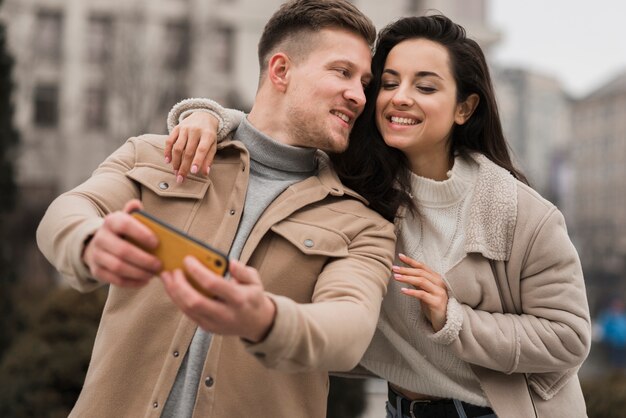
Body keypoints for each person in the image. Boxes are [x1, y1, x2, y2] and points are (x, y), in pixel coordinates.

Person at [164, 14, 592, 418]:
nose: (399, 97)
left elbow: (569, 338)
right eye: (389, 82)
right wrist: (210, 117)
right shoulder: (354, 180)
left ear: (465, 108)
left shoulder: (522, 214)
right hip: (399, 407)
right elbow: (277, 135)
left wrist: (455, 319)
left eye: (425, 87)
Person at [35, 1, 398, 417]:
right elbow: (67, 211)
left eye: (365, 82)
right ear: (281, 71)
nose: (358, 95)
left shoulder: (362, 225)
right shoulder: (157, 154)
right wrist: (89, 241)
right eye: (342, 72)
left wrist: (263, 318)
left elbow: (348, 330)